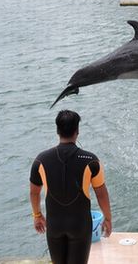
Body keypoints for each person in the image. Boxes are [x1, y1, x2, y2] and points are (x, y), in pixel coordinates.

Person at [29, 110, 112, 264]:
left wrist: (37, 216)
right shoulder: (91, 161)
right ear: (77, 131)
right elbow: (101, 194)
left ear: (57, 130)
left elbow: (34, 193)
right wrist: (107, 218)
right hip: (80, 225)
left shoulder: (41, 160)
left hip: (54, 225)